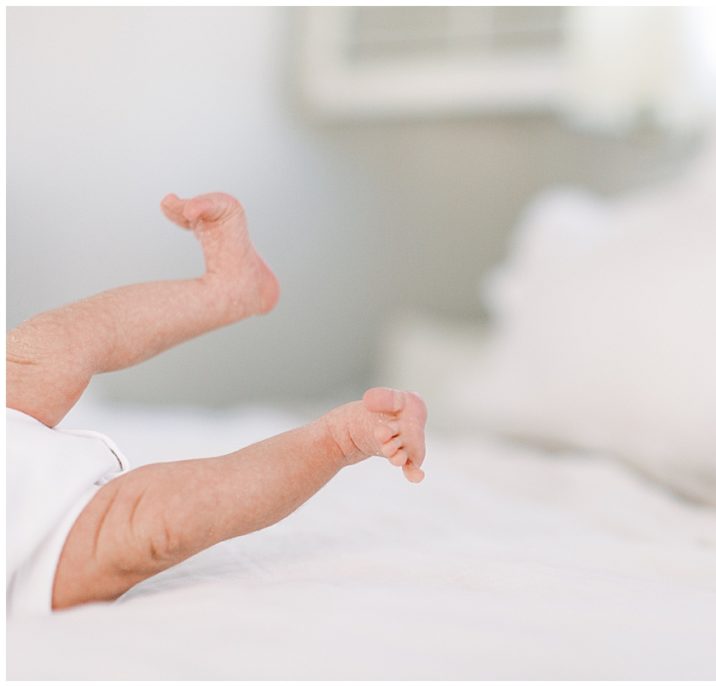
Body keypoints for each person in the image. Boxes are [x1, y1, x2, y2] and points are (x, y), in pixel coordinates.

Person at [6, 192, 427, 613]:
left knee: (43, 348)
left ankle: (226, 288)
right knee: (155, 524)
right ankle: (340, 439)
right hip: (25, 551)